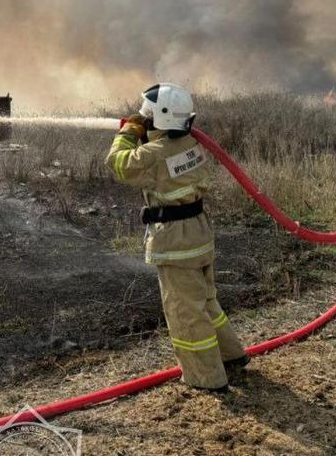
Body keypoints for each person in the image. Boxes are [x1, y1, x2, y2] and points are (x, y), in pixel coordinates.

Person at [106, 82, 249, 391]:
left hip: (175, 241)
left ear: (160, 117)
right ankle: (230, 355)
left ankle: (206, 378)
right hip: (198, 233)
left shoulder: (154, 154)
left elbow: (117, 165)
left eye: (147, 116)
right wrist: (146, 132)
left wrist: (128, 133)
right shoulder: (190, 143)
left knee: (185, 312)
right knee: (205, 301)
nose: (143, 120)